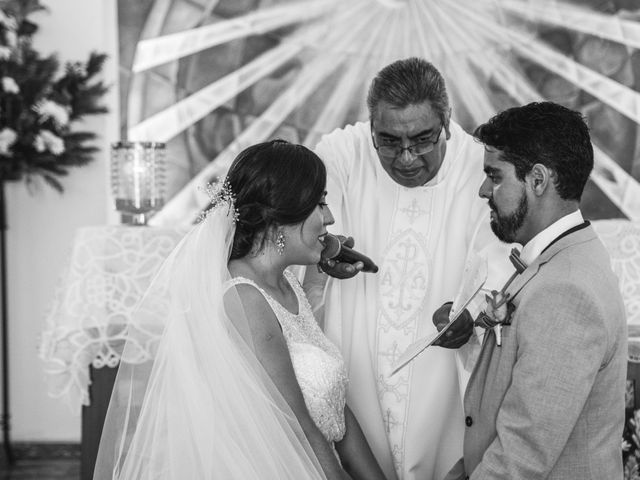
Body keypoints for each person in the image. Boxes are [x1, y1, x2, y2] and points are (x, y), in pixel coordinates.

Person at [93, 140, 386, 480]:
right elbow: (299, 427)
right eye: (318, 204)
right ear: (279, 217)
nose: (330, 217)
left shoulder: (285, 284)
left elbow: (331, 407)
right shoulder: (244, 299)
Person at [304, 57, 510, 480]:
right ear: (371, 126)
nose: (406, 157)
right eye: (389, 141)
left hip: (444, 385)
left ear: (447, 120)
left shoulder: (480, 168)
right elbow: (307, 216)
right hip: (357, 366)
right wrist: (328, 248)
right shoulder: (344, 152)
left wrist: (470, 316)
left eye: (422, 139)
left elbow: (501, 260)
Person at [448, 101, 627, 479]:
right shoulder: (562, 259)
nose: (484, 190)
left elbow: (522, 454)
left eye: (495, 176)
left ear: (538, 180)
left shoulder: (565, 289)